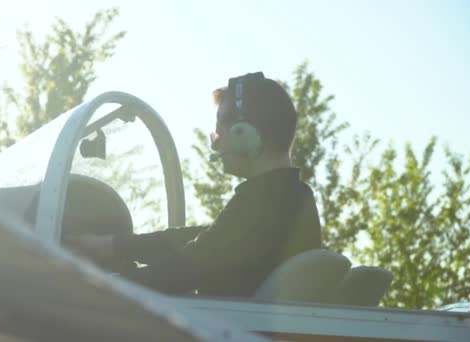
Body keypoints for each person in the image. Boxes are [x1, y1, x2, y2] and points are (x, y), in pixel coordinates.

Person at [72, 72, 322, 297]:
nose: (216, 145)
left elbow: (188, 267)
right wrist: (114, 245)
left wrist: (95, 287)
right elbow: (204, 240)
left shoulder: (264, 203)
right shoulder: (290, 199)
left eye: (218, 133)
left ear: (243, 134)